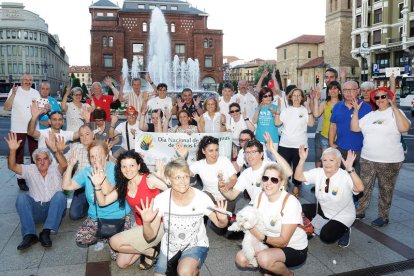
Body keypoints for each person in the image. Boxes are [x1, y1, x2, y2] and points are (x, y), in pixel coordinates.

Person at [138, 158, 229, 276]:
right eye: (177, 177)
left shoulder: (201, 198)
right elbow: (150, 237)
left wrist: (223, 220)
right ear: (169, 180)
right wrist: (146, 222)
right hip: (169, 248)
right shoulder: (161, 200)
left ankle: (193, 270)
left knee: (184, 272)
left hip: (195, 245)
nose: (183, 181)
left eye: (186, 176)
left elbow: (220, 224)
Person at [93, 151, 168, 269]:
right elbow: (103, 202)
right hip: (139, 225)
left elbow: (171, 190)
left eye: (132, 165)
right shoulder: (124, 185)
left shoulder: (149, 179)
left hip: (157, 226)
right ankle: (150, 251)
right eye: (124, 166)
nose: (128, 169)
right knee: (122, 263)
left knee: (114, 242)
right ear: (120, 169)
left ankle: (152, 247)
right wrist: (97, 186)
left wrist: (164, 179)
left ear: (138, 166)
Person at [350, 87, 411, 227]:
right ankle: (360, 211)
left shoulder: (396, 112)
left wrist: (395, 107)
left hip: (390, 160)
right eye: (377, 98)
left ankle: (383, 216)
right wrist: (356, 111)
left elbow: (404, 128)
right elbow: (354, 128)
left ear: (389, 97)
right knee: (364, 186)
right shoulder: (371, 115)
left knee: (386, 189)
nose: (380, 100)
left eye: (383, 96)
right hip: (367, 158)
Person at [235, 164, 308, 275]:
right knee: (241, 258)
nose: (268, 183)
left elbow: (283, 242)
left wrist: (261, 236)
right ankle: (269, 268)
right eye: (265, 178)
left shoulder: (290, 202)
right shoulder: (260, 196)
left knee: (263, 259)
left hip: (293, 247)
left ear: (282, 182)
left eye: (274, 179)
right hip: (269, 241)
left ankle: (287, 274)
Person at [61, 140, 132, 248]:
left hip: (119, 217)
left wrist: (101, 171)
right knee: (81, 239)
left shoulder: (116, 169)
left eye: (98, 156)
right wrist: (70, 166)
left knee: (117, 253)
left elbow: (107, 192)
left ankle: (109, 237)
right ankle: (104, 236)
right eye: (92, 156)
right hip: (96, 217)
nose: (95, 159)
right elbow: (67, 186)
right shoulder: (87, 171)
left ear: (106, 156)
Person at [5, 132, 67, 250]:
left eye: (45, 159)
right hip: (36, 210)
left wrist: (55, 150)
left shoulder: (55, 169)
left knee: (60, 195)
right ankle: (29, 235)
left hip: (53, 209)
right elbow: (12, 166)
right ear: (35, 161)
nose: (42, 162)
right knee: (22, 197)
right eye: (39, 160)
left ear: (49, 161)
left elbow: (64, 164)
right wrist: (13, 150)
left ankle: (46, 232)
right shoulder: (30, 169)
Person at [295, 146, 364, 247]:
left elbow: (360, 188)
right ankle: (314, 228)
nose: (327, 163)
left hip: (342, 216)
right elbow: (298, 177)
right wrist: (302, 160)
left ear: (339, 163)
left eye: (331, 160)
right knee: (300, 209)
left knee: (326, 236)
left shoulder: (345, 176)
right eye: (324, 160)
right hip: (324, 210)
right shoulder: (318, 172)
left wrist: (350, 169)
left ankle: (345, 230)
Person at [221, 135, 292, 204]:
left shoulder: (270, 166)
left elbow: (289, 172)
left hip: (275, 207)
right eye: (247, 152)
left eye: (253, 152)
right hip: (256, 210)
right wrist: (224, 190)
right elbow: (232, 195)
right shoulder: (246, 174)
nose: (250, 156)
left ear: (261, 154)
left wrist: (273, 150)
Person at [179, 136, 238, 214]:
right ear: (203, 151)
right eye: (211, 151)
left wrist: (226, 187)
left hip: (226, 198)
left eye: (216, 150)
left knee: (221, 220)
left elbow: (234, 179)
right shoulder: (199, 164)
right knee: (202, 196)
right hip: (209, 198)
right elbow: (185, 173)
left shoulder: (224, 160)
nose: (214, 154)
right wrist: (183, 157)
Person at [275, 88, 314, 198]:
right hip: (285, 144)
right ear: (290, 97)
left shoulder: (305, 110)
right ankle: (284, 187)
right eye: (294, 95)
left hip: (300, 145)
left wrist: (308, 108)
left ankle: (297, 186)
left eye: (299, 95)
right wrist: (278, 108)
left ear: (302, 98)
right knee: (283, 168)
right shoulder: (286, 110)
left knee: (298, 167)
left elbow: (311, 124)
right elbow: (277, 123)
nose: (296, 98)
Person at [4, 74, 40, 191]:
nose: (28, 82)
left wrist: (46, 108)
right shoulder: (14, 91)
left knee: (35, 154)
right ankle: (21, 180)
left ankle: (34, 178)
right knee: (18, 156)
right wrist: (13, 94)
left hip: (33, 128)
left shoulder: (35, 92)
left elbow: (39, 108)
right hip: (17, 128)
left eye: (30, 80)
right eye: (25, 80)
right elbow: (6, 108)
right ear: (21, 81)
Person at [329, 80, 372, 175]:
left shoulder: (367, 108)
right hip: (340, 148)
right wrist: (331, 143)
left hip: (360, 151)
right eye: (345, 90)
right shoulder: (337, 106)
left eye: (352, 90)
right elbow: (333, 126)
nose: (348, 93)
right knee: (340, 179)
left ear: (358, 91)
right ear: (342, 91)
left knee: (357, 180)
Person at [65, 125, 95, 220]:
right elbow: (64, 162)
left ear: (93, 135)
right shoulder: (76, 148)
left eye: (87, 134)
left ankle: (93, 206)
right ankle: (88, 207)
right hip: (80, 187)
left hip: (96, 186)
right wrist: (58, 151)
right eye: (81, 135)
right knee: (74, 215)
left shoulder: (100, 147)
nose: (84, 137)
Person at [314, 68, 338, 168]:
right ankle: (318, 182)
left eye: (331, 77)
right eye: (326, 77)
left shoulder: (341, 98)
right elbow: (316, 113)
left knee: (334, 161)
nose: (329, 79)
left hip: (337, 135)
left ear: (336, 78)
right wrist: (314, 99)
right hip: (321, 131)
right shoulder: (321, 93)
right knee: (319, 160)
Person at [313, 81, 342, 155]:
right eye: (330, 89)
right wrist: (316, 99)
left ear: (339, 91)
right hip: (325, 136)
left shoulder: (344, 104)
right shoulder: (325, 103)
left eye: (335, 88)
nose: (333, 90)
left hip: (341, 137)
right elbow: (316, 115)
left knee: (338, 161)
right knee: (326, 159)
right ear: (328, 92)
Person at [252, 87, 279, 158]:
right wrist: (258, 110)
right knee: (260, 161)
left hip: (273, 139)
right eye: (265, 96)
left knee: (272, 162)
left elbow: (278, 123)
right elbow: (254, 121)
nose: (268, 98)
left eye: (270, 95)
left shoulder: (276, 108)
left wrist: (274, 113)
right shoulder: (257, 108)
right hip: (260, 139)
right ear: (261, 98)